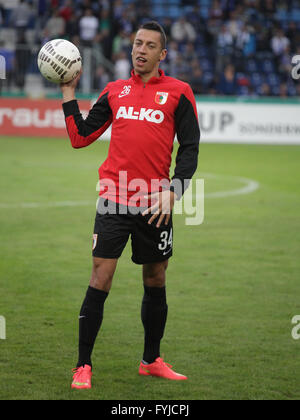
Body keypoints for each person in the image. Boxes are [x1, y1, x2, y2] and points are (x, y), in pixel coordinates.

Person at [60, 21, 200, 390]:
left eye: (150, 45)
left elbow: (190, 149)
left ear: (161, 54)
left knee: (155, 278)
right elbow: (80, 137)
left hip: (156, 203)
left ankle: (151, 360)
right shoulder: (114, 91)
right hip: (113, 200)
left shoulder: (178, 92)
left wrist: (174, 191)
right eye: (137, 43)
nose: (141, 50)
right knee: (100, 277)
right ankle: (83, 365)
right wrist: (68, 94)